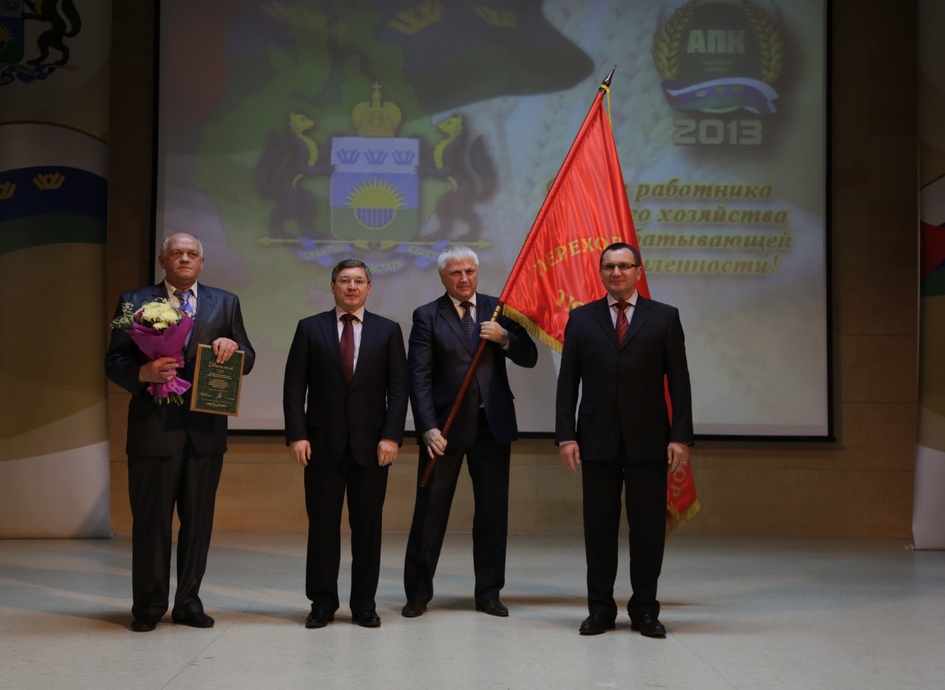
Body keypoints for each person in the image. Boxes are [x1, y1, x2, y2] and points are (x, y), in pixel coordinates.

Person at [105, 233, 255, 632]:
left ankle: (188, 603)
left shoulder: (226, 302)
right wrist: (143, 372)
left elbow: (249, 358)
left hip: (206, 432)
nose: (184, 259)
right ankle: (148, 606)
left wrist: (232, 348)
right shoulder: (133, 301)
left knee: (198, 524)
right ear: (163, 260)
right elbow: (114, 360)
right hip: (153, 430)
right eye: (176, 253)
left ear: (202, 263)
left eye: (191, 254)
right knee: (151, 524)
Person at [555, 242, 693, 638]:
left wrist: (680, 436)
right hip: (596, 441)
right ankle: (600, 610)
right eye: (609, 267)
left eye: (624, 266)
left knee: (647, 531)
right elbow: (568, 383)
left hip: (650, 442)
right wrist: (566, 436)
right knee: (599, 531)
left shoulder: (664, 317)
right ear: (601, 273)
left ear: (638, 271)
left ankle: (645, 610)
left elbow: (679, 381)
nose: (617, 273)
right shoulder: (581, 319)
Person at [402, 245, 538, 618]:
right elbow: (418, 377)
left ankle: (489, 593)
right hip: (444, 431)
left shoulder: (499, 309)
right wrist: (428, 427)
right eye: (456, 273)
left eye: (470, 272)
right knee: (430, 513)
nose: (464, 279)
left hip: (491, 427)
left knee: (492, 514)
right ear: (443, 277)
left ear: (477, 273)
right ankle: (417, 594)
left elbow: (529, 356)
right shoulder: (427, 316)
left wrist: (505, 338)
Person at [283, 259, 408, 629]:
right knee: (322, 529)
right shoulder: (310, 328)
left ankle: (364, 605)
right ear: (333, 286)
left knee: (368, 529)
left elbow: (398, 390)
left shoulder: (388, 330)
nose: (351, 287)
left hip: (372, 447)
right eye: (344, 280)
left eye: (358, 281)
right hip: (321, 446)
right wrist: (297, 434)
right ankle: (322, 604)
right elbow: (294, 388)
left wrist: (391, 436)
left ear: (369, 287)